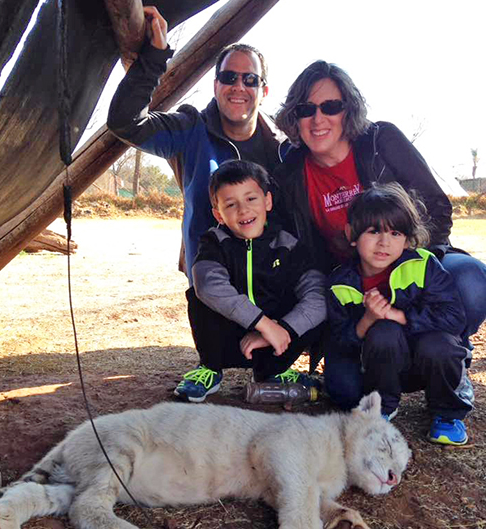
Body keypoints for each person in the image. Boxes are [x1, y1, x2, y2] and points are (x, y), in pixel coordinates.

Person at [273, 60, 486, 356]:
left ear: (348, 110)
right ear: (294, 118)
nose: (318, 119)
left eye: (330, 106)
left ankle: (448, 350)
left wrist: (402, 262)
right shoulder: (290, 173)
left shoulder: (380, 140)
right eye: (306, 110)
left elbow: (436, 207)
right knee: (345, 388)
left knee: (471, 281)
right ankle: (366, 359)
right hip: (349, 281)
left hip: (411, 265)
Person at [107, 6, 283, 284]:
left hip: (276, 287)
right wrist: (154, 58)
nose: (239, 86)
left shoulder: (282, 147)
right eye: (229, 77)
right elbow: (125, 123)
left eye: (250, 79)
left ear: (264, 91)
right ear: (215, 85)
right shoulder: (190, 131)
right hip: (211, 290)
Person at [325, 184, 473, 445]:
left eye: (395, 232)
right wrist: (367, 320)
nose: (385, 243)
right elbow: (339, 343)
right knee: (381, 333)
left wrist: (402, 316)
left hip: (429, 358)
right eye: (373, 232)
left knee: (439, 344)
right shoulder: (340, 283)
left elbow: (455, 317)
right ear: (352, 234)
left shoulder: (423, 265)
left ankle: (447, 413)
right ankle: (384, 405)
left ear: (407, 238)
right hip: (381, 362)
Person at [174, 160, 326, 403]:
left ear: (267, 201)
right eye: (231, 204)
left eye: (251, 199)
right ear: (218, 215)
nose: (243, 210)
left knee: (314, 304)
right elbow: (207, 284)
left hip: (276, 339)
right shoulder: (214, 242)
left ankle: (273, 372)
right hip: (230, 336)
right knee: (199, 294)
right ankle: (210, 369)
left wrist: (281, 329)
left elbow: (317, 297)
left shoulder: (288, 245)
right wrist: (264, 324)